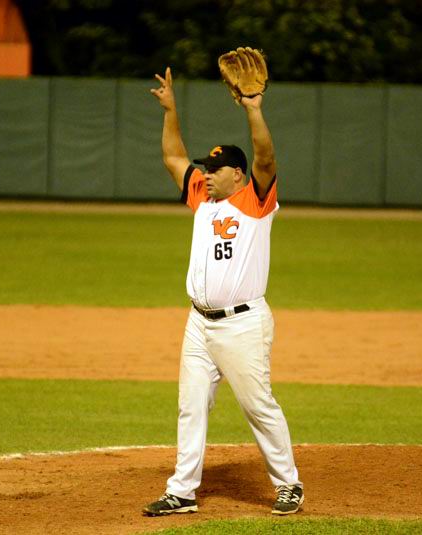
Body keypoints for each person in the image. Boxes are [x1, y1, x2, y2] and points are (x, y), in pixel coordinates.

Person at [143, 67, 304, 517]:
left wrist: (254, 110)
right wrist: (171, 111)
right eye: (206, 168)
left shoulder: (255, 200)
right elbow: (174, 158)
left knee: (258, 407)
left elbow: (267, 156)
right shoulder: (202, 199)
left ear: (237, 173)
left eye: (215, 169)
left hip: (243, 324)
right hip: (199, 323)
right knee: (190, 406)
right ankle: (182, 491)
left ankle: (289, 484)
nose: (206, 174)